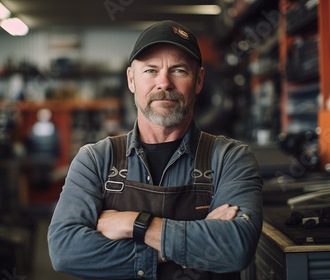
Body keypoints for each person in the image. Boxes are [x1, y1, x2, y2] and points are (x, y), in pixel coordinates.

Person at [48, 20, 263, 280]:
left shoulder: (230, 159)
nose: (164, 83)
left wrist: (132, 223)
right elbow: (65, 250)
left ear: (199, 81)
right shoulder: (95, 160)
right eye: (150, 70)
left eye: (179, 70)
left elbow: (235, 248)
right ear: (131, 80)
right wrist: (190, 241)